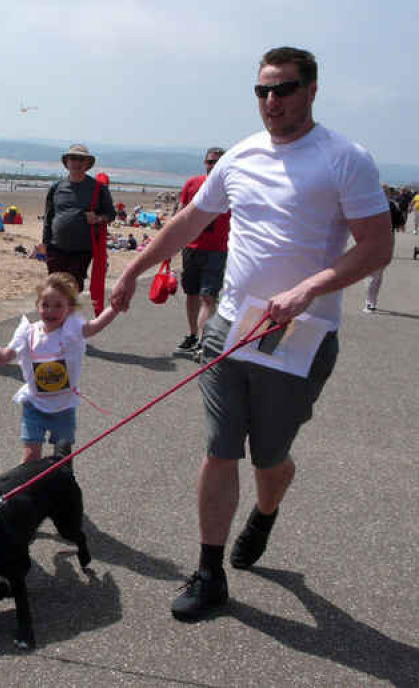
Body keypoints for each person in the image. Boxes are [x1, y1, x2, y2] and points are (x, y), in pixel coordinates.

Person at [110, 46, 393, 622]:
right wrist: (134, 269)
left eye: (284, 89)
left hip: (299, 335)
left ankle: (265, 512)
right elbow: (190, 220)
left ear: (311, 90)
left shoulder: (345, 159)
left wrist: (307, 291)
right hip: (228, 329)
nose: (272, 101)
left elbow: (376, 248)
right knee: (219, 450)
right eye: (262, 91)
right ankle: (209, 572)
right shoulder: (240, 155)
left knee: (269, 459)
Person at [0, 272, 117, 463]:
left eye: (58, 305)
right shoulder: (27, 333)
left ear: (69, 308)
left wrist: (114, 308)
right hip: (34, 405)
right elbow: (3, 357)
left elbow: (95, 326)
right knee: (30, 459)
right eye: (45, 305)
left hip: (64, 407)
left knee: (62, 461)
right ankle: (26, 492)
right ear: (37, 305)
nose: (50, 311)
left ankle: (58, 493)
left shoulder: (73, 330)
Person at [175, 148, 231, 355]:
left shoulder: (232, 187)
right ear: (204, 163)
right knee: (191, 294)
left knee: (208, 297)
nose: (212, 166)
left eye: (217, 162)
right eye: (210, 162)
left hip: (217, 250)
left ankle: (203, 341)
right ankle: (192, 335)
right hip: (191, 248)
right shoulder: (192, 184)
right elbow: (180, 214)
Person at [43, 144, 116, 292]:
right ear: (67, 163)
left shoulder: (98, 188)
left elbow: (111, 214)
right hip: (56, 248)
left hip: (82, 250)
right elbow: (48, 218)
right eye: (73, 159)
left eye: (81, 159)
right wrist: (45, 244)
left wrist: (98, 219)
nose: (76, 162)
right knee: (54, 289)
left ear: (87, 163)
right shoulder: (56, 187)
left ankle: (70, 316)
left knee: (74, 288)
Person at [364, 194, 404, 312]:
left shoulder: (369, 204)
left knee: (372, 274)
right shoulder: (392, 205)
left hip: (373, 239)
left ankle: (369, 302)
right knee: (378, 273)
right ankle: (372, 301)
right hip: (387, 239)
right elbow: (400, 223)